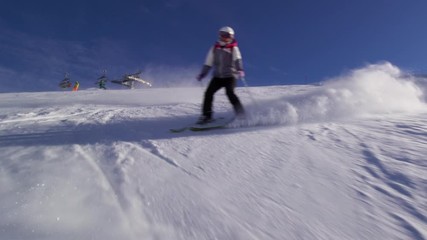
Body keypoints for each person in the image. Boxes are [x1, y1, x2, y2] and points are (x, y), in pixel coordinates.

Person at [196, 26, 245, 124]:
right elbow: (208, 62)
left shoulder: (233, 48)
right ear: (219, 35)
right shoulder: (215, 48)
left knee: (230, 93)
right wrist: (203, 74)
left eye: (227, 35)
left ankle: (241, 114)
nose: (225, 37)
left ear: (231, 37)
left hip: (230, 76)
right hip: (217, 77)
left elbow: (237, 59)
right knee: (208, 93)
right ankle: (207, 116)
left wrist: (240, 69)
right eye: (223, 34)